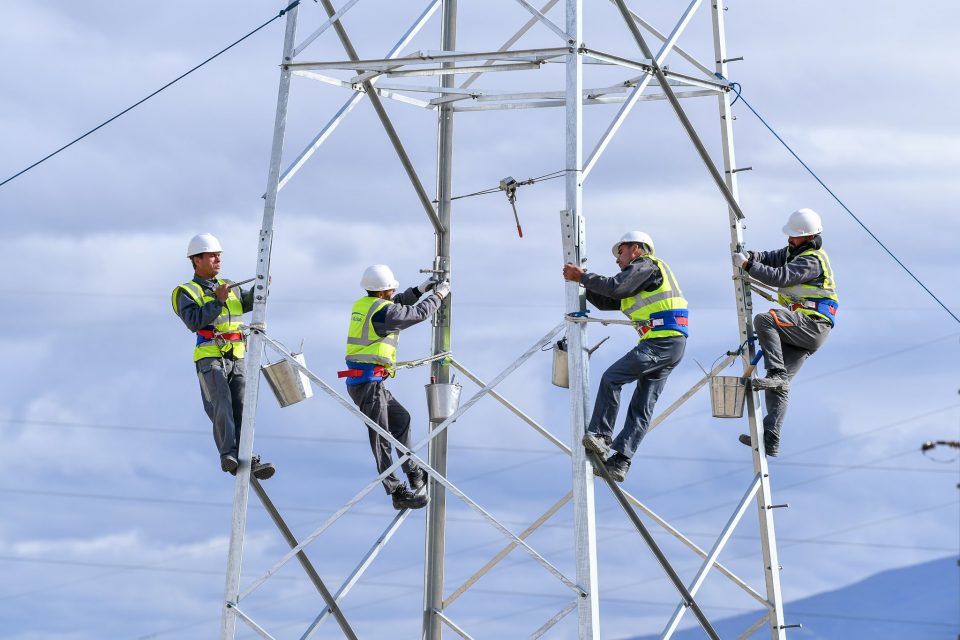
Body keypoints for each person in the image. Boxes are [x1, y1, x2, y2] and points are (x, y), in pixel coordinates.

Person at [563, 231, 688, 482]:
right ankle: (620, 462)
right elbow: (610, 298)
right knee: (642, 406)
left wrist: (584, 276)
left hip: (661, 341)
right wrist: (580, 283)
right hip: (671, 343)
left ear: (636, 249)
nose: (617, 259)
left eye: (620, 251)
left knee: (612, 378)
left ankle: (601, 436)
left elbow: (615, 287)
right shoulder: (640, 280)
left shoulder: (646, 266)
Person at [342, 264, 450, 510]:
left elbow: (399, 303)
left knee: (401, 420)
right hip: (367, 383)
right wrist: (438, 296)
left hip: (371, 382)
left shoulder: (368, 304)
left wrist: (419, 289)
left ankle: (412, 471)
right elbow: (417, 314)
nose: (393, 291)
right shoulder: (383, 313)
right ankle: (396, 492)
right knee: (380, 437)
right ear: (382, 292)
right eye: (390, 288)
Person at [732, 207, 838, 457]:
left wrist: (746, 265)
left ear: (809, 237)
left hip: (812, 324)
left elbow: (781, 277)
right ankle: (771, 438)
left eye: (794, 235)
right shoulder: (794, 251)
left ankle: (777, 372)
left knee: (764, 320)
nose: (789, 239)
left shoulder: (812, 260)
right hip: (802, 328)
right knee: (776, 385)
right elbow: (771, 258)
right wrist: (752, 256)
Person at [171, 233, 275, 480]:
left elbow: (248, 302)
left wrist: (262, 289)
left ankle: (247, 457)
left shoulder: (229, 285)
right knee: (222, 405)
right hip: (210, 357)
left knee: (243, 409)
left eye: (219, 255)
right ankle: (228, 454)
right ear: (196, 260)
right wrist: (217, 301)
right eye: (212, 255)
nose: (218, 259)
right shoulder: (185, 292)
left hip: (237, 356)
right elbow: (194, 321)